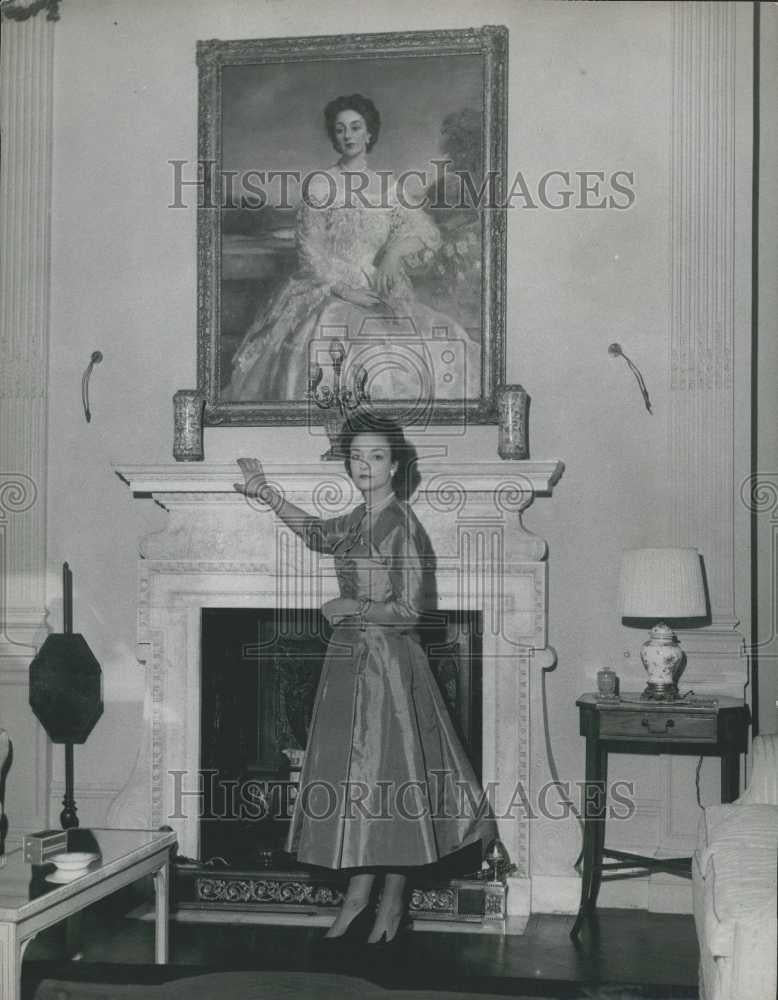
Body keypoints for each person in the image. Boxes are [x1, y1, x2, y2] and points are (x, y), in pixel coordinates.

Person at [233, 414, 496, 945]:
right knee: (360, 790)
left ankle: (390, 903)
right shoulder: (357, 516)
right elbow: (315, 533)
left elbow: (411, 613)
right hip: (350, 662)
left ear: (396, 465)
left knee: (395, 785)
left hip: (391, 670)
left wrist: (354, 604)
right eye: (356, 457)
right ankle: (359, 897)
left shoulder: (402, 525)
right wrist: (267, 493)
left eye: (376, 456)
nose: (365, 465)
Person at [223, 94, 480, 405]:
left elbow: (426, 233)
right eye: (341, 129)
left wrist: (392, 254)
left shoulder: (386, 187)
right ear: (334, 136)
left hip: (381, 291)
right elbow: (310, 252)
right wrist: (345, 291)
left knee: (444, 339)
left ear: (369, 134)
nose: (348, 135)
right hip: (329, 292)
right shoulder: (320, 184)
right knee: (349, 346)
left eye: (355, 127)